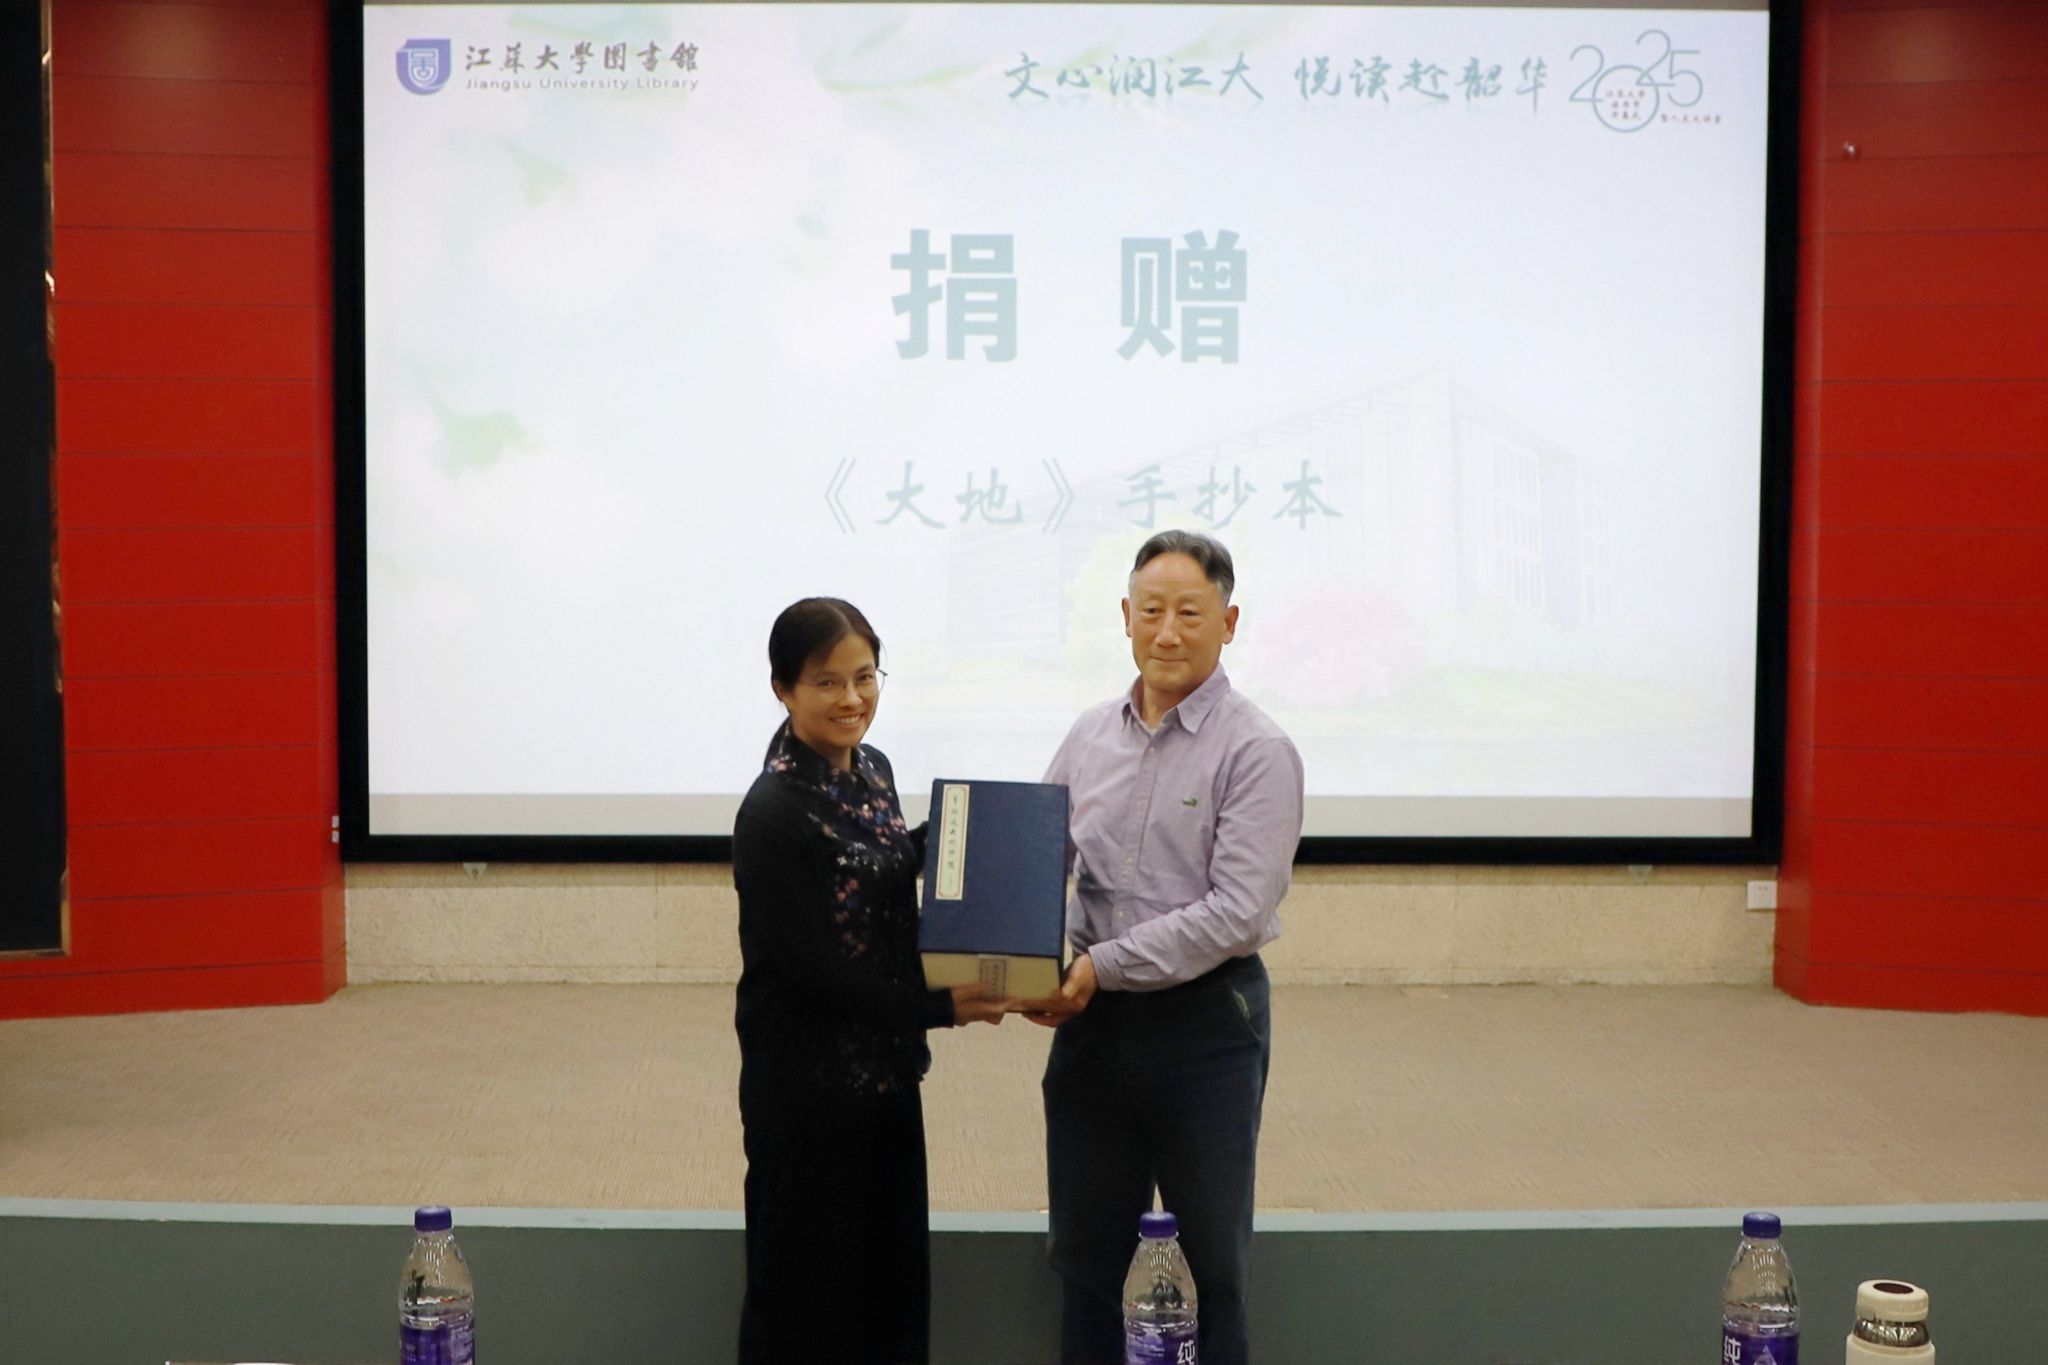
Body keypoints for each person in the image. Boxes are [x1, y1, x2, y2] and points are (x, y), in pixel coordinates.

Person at [1027, 531, 1305, 1365]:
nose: (1168, 631)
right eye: (1151, 610)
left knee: (1210, 1268)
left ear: (1229, 622)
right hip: (1092, 1029)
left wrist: (1098, 964)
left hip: (1205, 1030)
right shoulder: (1088, 737)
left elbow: (1237, 911)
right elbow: (1039, 865)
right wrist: (1024, 953)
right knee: (1085, 1260)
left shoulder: (1257, 750)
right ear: (1125, 616)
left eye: (1190, 612)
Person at [731, 596, 1005, 1365]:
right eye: (827, 681)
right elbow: (813, 971)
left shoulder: (873, 768)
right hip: (807, 1091)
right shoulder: (772, 812)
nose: (852, 698)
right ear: (783, 689)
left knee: (891, 1289)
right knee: (806, 1302)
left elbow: (882, 860)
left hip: (886, 1077)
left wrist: (974, 828)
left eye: (865, 676)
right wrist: (940, 1006)